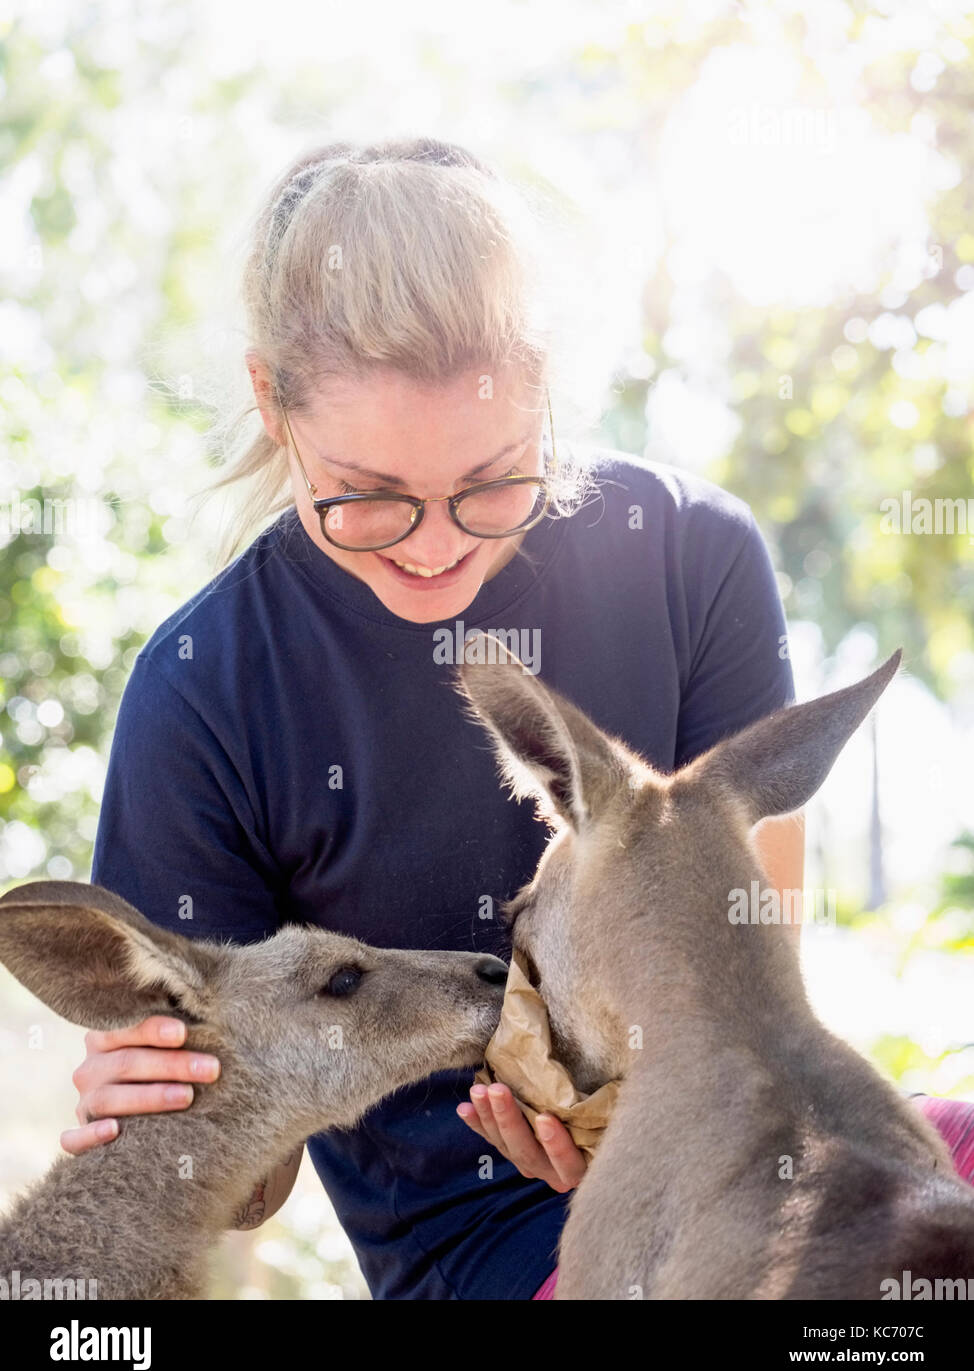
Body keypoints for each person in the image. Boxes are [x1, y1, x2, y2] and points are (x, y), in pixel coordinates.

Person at [63, 136, 971, 1301]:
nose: (436, 545)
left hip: (764, 1168)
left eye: (492, 480)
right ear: (269, 403)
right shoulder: (207, 690)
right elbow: (248, 1187)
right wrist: (171, 1110)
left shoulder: (687, 560)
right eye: (367, 498)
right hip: (490, 1256)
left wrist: (628, 1120)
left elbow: (758, 978)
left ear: (541, 392)